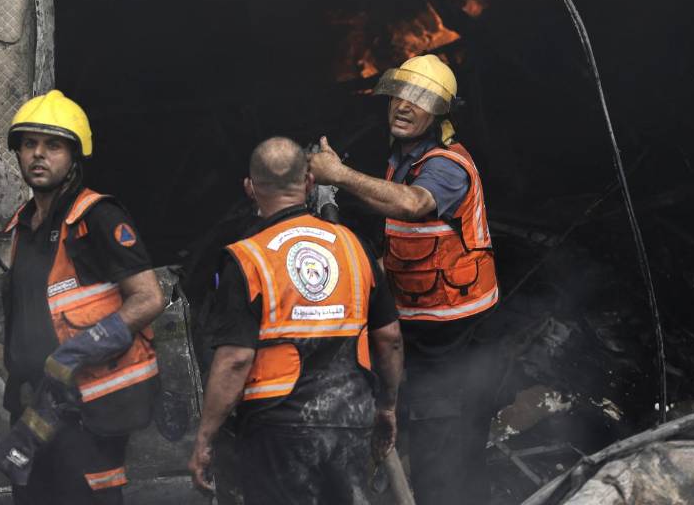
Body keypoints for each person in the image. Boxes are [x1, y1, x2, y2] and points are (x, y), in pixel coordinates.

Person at [308, 54, 502, 505]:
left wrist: (339, 175)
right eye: (400, 95)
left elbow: (413, 205)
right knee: (430, 444)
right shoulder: (404, 156)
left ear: (440, 112)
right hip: (423, 331)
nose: (404, 106)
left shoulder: (447, 166)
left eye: (420, 100)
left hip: (457, 337)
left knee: (444, 459)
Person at [188, 137, 404, 505]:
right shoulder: (355, 246)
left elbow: (235, 359)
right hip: (351, 419)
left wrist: (206, 437)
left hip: (278, 428)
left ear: (249, 188)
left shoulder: (246, 259)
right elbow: (390, 338)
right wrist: (387, 405)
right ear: (308, 184)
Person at [0, 90, 166, 504]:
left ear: (74, 157)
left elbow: (148, 298)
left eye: (53, 145)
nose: (38, 155)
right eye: (30, 144)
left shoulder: (98, 218)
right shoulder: (22, 227)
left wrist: (79, 350)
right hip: (36, 409)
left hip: (88, 410)